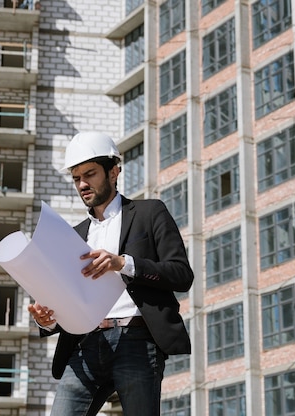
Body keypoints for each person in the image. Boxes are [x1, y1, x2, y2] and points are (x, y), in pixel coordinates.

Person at [28, 132, 194, 415]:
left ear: (114, 171)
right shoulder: (73, 236)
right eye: (76, 178)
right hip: (84, 346)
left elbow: (181, 274)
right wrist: (48, 321)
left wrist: (123, 263)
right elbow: (67, 298)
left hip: (137, 339)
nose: (82, 184)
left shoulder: (150, 212)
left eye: (90, 174)